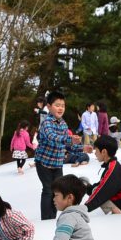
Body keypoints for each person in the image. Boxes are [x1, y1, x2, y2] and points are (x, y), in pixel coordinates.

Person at [35, 91, 85, 220]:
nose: (61, 108)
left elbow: (68, 146)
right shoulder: (46, 122)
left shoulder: (63, 124)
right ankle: (46, 219)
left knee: (58, 190)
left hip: (57, 163)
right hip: (44, 162)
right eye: (57, 105)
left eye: (63, 105)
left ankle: (53, 217)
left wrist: (83, 148)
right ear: (49, 106)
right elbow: (53, 137)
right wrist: (69, 139)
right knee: (47, 190)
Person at [85, 135, 121, 215]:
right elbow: (103, 183)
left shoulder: (112, 168)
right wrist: (88, 188)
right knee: (95, 189)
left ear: (104, 152)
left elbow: (101, 191)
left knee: (97, 192)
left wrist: (84, 208)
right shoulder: (112, 164)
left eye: (96, 150)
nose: (95, 153)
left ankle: (115, 213)